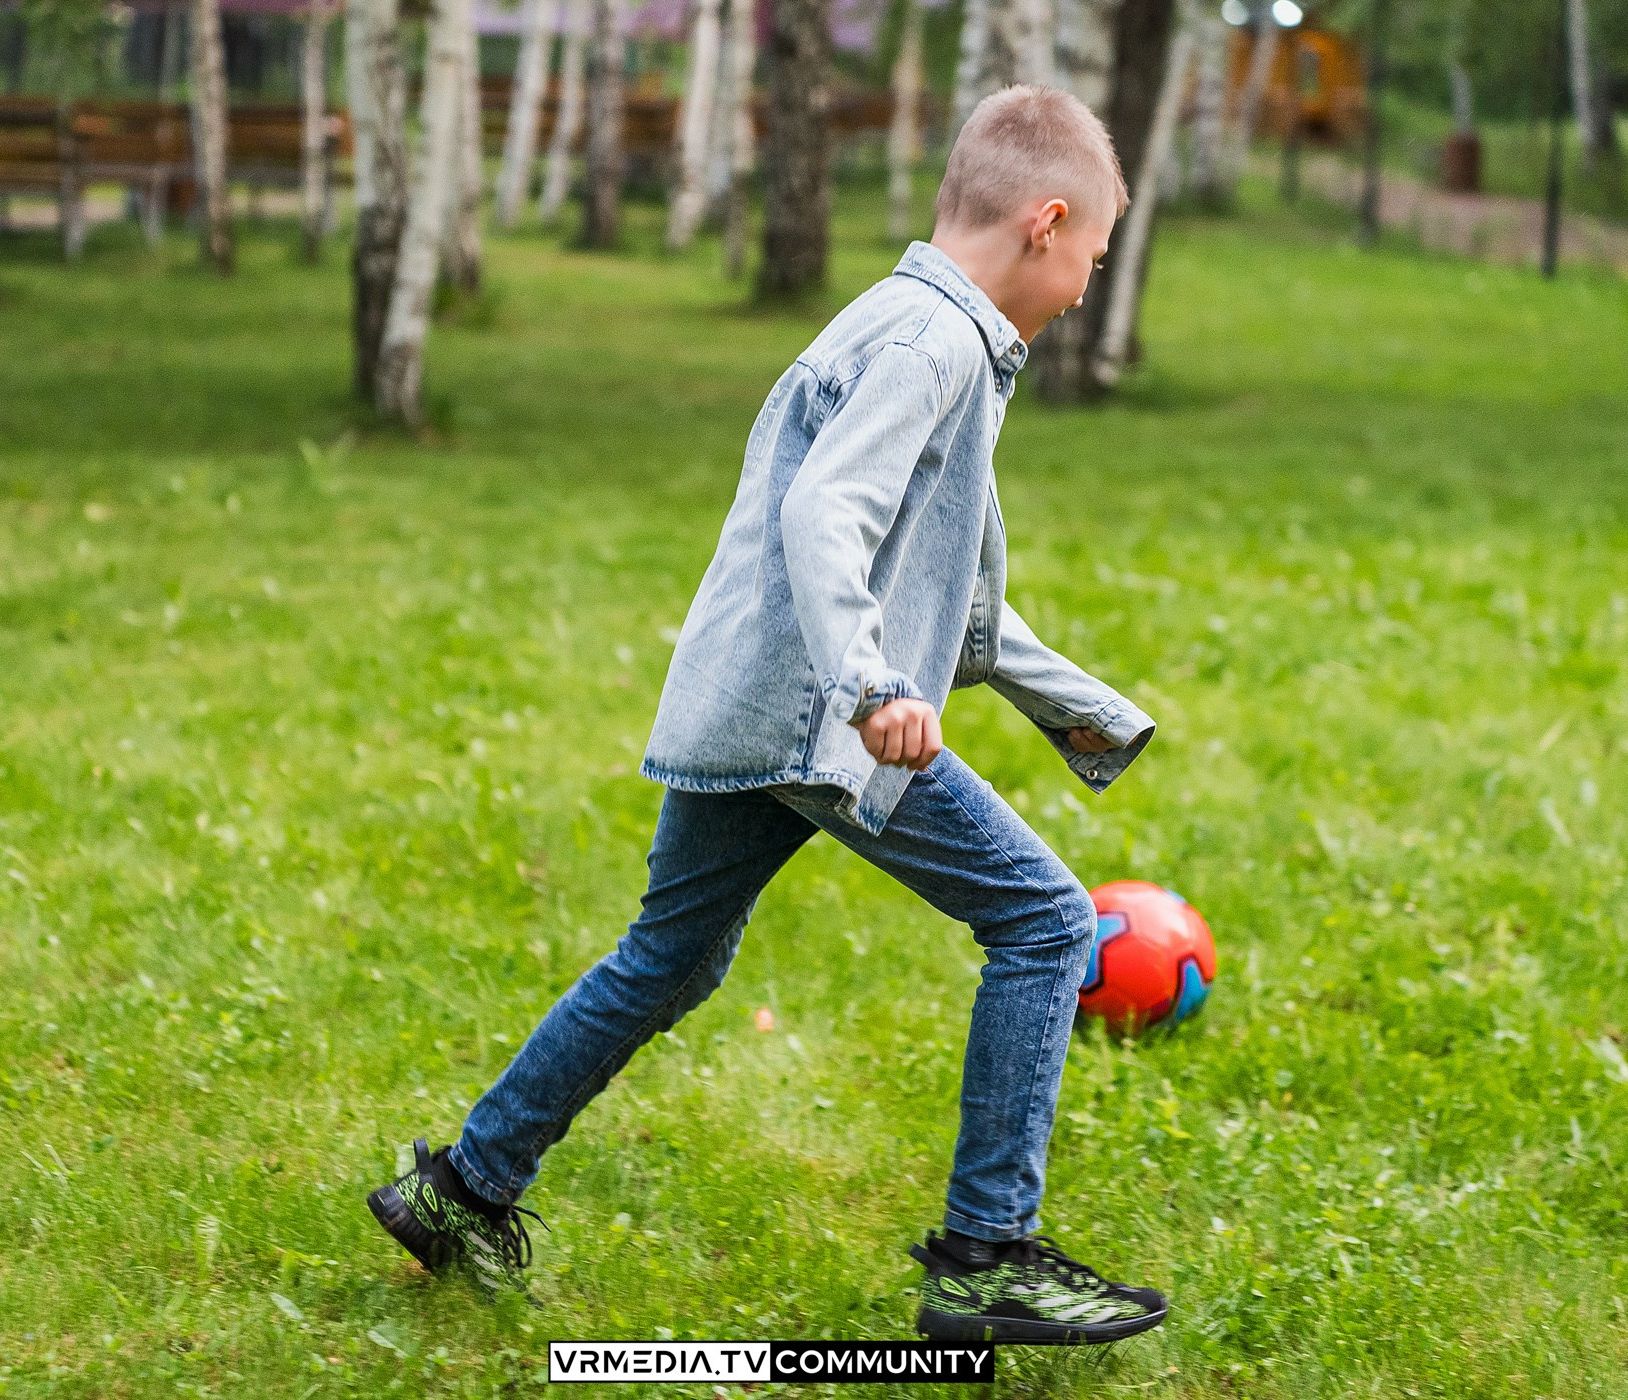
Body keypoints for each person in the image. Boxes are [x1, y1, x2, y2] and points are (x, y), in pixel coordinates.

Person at [368, 84, 1168, 1346]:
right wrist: (874, 685)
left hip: (750, 696)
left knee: (672, 957)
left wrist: (1082, 709)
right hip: (817, 711)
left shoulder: (901, 320)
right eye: (1094, 258)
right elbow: (825, 515)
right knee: (1048, 921)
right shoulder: (937, 346)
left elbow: (945, 589)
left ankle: (461, 1187)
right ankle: (986, 1256)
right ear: (1046, 223)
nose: (1082, 290)